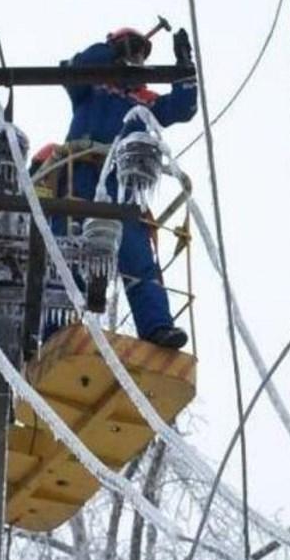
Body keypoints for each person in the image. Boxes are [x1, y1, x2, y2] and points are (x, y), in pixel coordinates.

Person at [51, 26, 197, 349]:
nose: (138, 57)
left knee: (137, 255)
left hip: (123, 182)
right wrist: (112, 51)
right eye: (132, 49)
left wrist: (185, 65)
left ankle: (157, 327)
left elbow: (184, 107)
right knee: (68, 251)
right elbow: (75, 68)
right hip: (81, 173)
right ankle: (56, 330)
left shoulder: (145, 101)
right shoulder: (93, 85)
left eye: (143, 52)